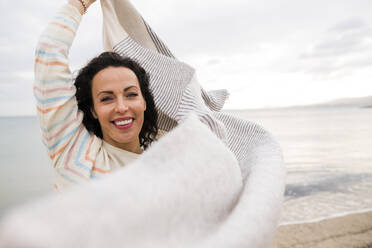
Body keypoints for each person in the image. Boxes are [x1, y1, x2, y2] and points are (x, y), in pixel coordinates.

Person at [34, 0, 159, 190]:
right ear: (93, 109)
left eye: (131, 94)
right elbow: (49, 54)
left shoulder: (167, 158)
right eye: (106, 98)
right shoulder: (74, 152)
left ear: (144, 102)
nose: (122, 107)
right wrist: (80, 3)